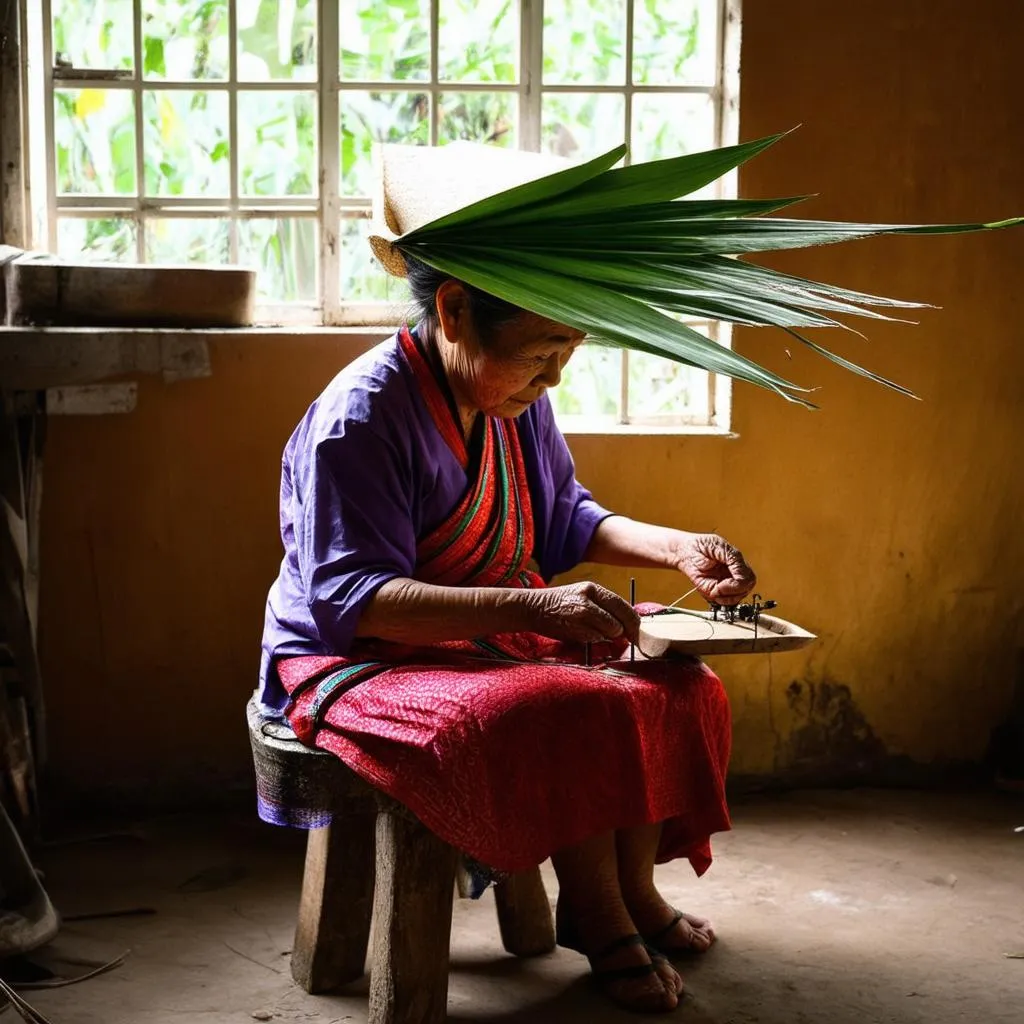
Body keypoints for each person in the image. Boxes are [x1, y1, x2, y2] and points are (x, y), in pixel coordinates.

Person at [259, 237, 757, 1010]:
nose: (555, 375)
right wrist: (535, 607)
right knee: (571, 702)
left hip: (488, 633)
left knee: (672, 669)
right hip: (364, 662)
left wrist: (678, 547)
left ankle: (631, 890)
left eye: (568, 351)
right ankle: (594, 913)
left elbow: (566, 516)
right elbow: (354, 602)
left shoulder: (509, 400)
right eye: (541, 352)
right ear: (455, 310)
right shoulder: (358, 420)